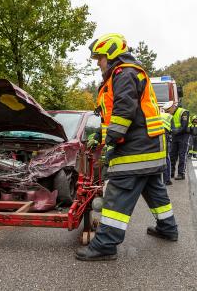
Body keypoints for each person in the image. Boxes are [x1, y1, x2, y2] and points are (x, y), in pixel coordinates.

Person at [76, 33, 178, 261]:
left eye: (100, 58)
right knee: (154, 190)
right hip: (150, 146)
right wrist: (103, 137)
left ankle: (105, 245)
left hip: (137, 148)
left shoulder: (124, 73)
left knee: (117, 194)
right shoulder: (127, 73)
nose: (98, 64)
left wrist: (110, 142)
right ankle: (168, 228)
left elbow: (123, 111)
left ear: (111, 55)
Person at [163, 101, 190, 180]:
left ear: (172, 107)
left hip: (183, 135)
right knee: (172, 154)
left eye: (168, 111)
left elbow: (184, 127)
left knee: (182, 154)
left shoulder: (183, 112)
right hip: (175, 136)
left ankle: (181, 174)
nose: (167, 113)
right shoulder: (170, 114)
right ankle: (171, 173)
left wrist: (174, 131)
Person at [161, 111, 173, 185]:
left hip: (162, 136)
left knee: (165, 158)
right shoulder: (169, 117)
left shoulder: (160, 115)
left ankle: (166, 179)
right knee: (166, 158)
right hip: (166, 135)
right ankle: (167, 179)